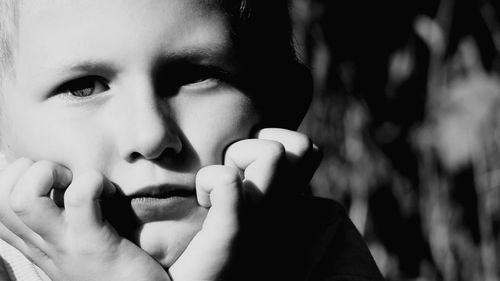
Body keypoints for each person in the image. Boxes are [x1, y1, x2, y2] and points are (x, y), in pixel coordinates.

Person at [0, 0, 384, 280]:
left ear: (283, 104)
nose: (150, 137)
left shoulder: (318, 249)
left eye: (192, 76)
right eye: (83, 87)